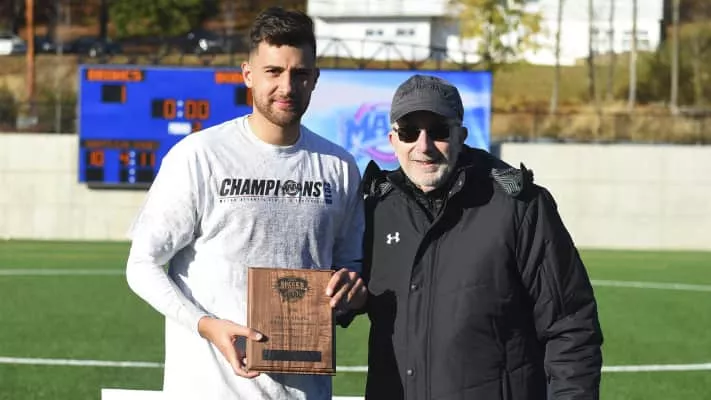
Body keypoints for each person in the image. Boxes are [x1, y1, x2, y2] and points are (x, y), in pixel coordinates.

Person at [125, 7, 367, 400]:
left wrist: (351, 292)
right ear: (248, 74)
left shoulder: (338, 166)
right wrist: (206, 325)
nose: (287, 87)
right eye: (273, 71)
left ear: (315, 78)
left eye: (300, 74)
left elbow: (349, 267)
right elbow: (141, 265)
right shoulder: (200, 156)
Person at [358, 74, 603, 399]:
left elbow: (570, 325)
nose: (423, 146)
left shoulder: (521, 207)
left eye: (439, 131)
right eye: (409, 132)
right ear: (393, 140)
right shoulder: (372, 210)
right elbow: (330, 296)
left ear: (461, 136)